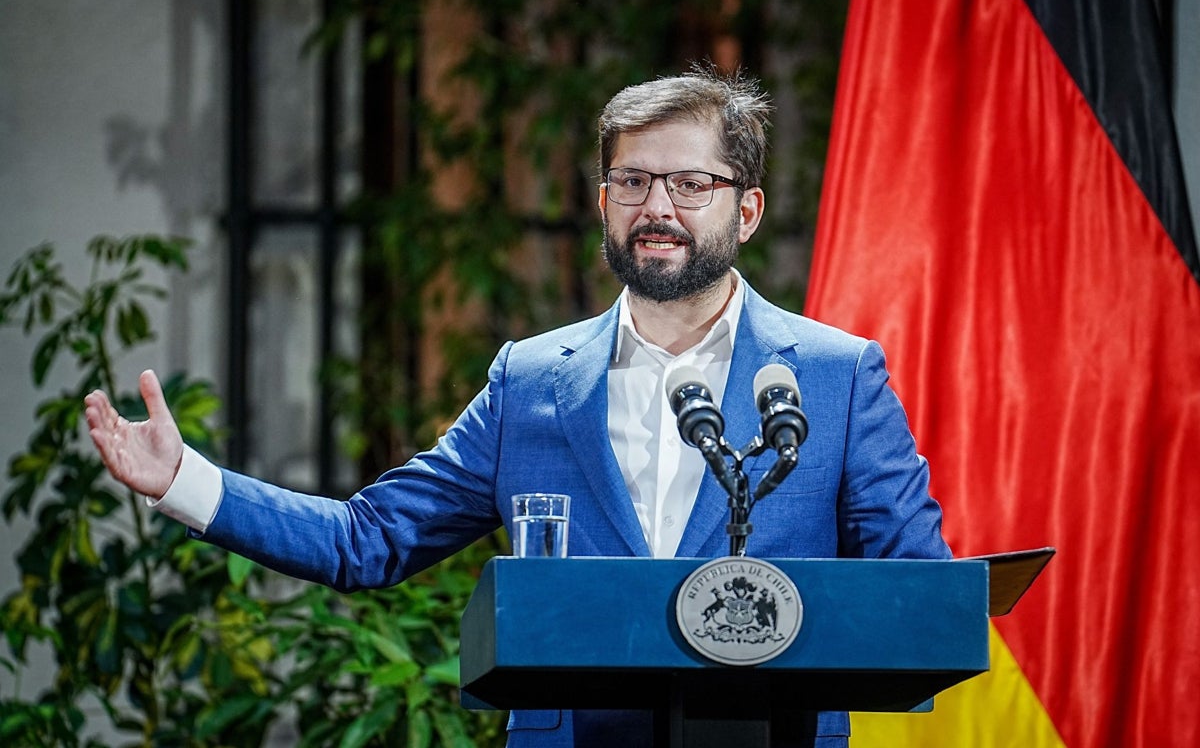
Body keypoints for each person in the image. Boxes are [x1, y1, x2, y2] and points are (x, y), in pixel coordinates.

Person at [85, 67, 950, 747]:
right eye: (633, 181)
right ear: (601, 203)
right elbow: (367, 541)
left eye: (690, 183)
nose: (658, 208)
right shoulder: (533, 380)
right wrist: (184, 483)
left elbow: (918, 598)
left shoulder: (835, 377)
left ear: (747, 209)